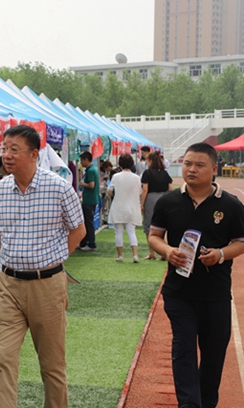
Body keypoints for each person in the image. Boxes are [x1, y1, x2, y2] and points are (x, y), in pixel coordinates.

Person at [0, 125, 86, 408]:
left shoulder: (59, 187)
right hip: (8, 285)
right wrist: (14, 256)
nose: (6, 155)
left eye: (13, 149)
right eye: (4, 148)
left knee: (52, 364)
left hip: (48, 285)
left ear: (33, 154)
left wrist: (53, 259)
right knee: (3, 358)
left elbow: (78, 231)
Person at [149, 143, 244, 408]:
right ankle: (189, 404)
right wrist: (168, 251)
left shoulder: (230, 205)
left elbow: (240, 242)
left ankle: (207, 402)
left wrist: (221, 254)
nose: (191, 169)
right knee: (184, 349)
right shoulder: (168, 202)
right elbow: (154, 236)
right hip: (179, 293)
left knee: (213, 355)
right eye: (188, 163)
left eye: (199, 165)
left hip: (216, 294)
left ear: (214, 169)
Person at [107, 153, 142, 263]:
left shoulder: (116, 176)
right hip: (132, 207)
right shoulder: (136, 178)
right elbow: (139, 192)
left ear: (120, 164)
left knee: (119, 232)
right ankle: (135, 255)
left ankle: (120, 255)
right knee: (131, 232)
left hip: (118, 207)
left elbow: (110, 192)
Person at [140, 152, 173, 260]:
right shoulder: (165, 173)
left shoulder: (147, 173)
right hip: (165, 198)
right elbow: (171, 189)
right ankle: (164, 252)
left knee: (149, 225)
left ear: (150, 161)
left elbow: (145, 189)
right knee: (164, 225)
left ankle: (152, 252)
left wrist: (142, 204)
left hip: (151, 199)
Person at [78, 151, 99, 251]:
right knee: (87, 222)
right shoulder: (93, 169)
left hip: (89, 200)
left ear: (86, 160)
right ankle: (84, 242)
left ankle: (91, 244)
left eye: (82, 160)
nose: (81, 163)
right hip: (91, 199)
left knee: (88, 223)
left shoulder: (90, 171)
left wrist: (82, 184)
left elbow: (91, 185)